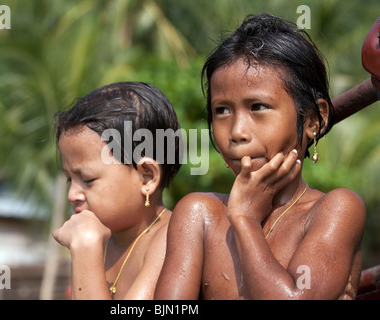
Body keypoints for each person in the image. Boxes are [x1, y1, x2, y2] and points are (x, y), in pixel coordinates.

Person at [154, 13, 366, 300]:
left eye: (258, 106)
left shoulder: (336, 210)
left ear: (314, 120)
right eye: (222, 111)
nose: (237, 131)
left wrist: (245, 220)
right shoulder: (199, 214)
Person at [52, 82, 182, 299]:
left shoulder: (170, 239)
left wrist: (85, 248)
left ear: (147, 177)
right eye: (69, 180)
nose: (72, 195)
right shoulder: (101, 240)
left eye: (87, 179)